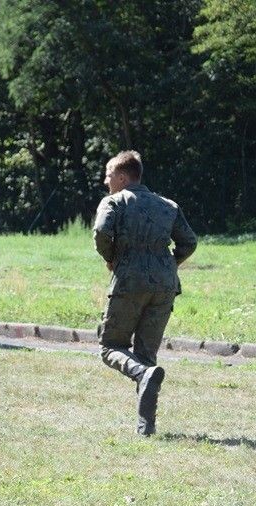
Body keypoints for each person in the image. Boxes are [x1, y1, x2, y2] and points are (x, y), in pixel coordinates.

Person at [94, 150, 197, 435]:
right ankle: (145, 426)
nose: (106, 181)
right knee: (146, 355)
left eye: (109, 174)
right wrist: (167, 264)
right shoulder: (169, 205)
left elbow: (102, 232)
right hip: (165, 286)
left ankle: (142, 376)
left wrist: (112, 258)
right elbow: (188, 242)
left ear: (123, 177)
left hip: (129, 281)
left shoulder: (114, 202)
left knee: (109, 347)